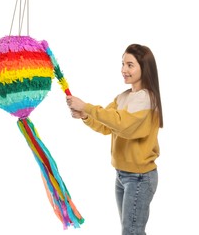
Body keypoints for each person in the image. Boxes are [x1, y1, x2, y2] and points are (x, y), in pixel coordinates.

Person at [66, 43, 163, 235]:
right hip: (122, 175)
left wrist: (86, 107)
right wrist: (85, 116)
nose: (123, 70)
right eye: (123, 64)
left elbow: (121, 124)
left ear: (144, 67)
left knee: (132, 232)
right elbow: (106, 125)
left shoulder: (146, 99)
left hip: (139, 177)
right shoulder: (123, 97)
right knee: (130, 230)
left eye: (130, 65)